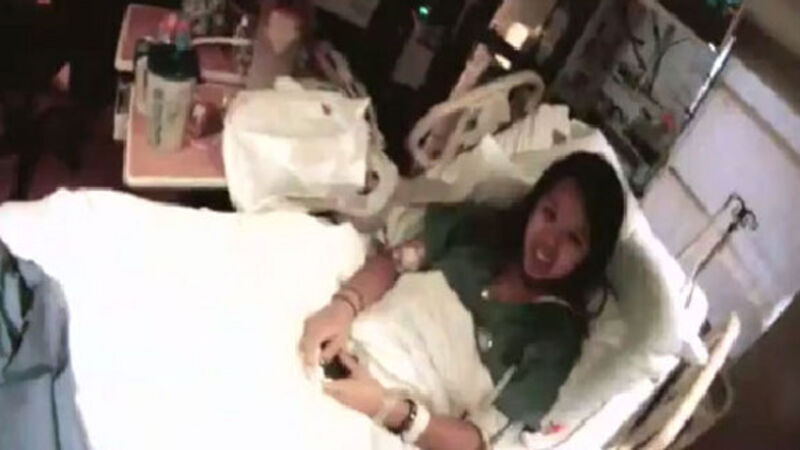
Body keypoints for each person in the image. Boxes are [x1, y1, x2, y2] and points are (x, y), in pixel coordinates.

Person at [299, 151, 626, 450]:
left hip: (384, 423)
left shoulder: (554, 340)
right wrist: (343, 308)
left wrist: (387, 408)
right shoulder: (478, 232)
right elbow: (392, 262)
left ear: (590, 257)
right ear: (535, 204)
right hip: (339, 347)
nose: (549, 243)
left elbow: (477, 440)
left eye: (573, 238)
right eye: (549, 214)